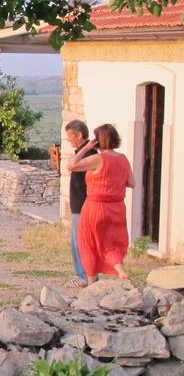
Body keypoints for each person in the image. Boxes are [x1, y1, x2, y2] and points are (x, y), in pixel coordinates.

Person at [67, 123, 135, 284]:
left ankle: (91, 282)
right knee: (111, 244)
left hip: (95, 207)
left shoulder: (98, 159)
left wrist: (85, 148)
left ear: (99, 141)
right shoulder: (123, 159)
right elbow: (132, 182)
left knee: (87, 243)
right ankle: (120, 270)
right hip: (117, 207)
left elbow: (71, 165)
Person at [63, 119, 97, 287]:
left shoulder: (90, 155)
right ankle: (84, 274)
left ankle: (84, 276)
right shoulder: (83, 153)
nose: (70, 141)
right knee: (76, 241)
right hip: (78, 204)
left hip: (84, 204)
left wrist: (86, 148)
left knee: (80, 242)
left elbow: (71, 165)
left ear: (80, 135)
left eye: (71, 137)